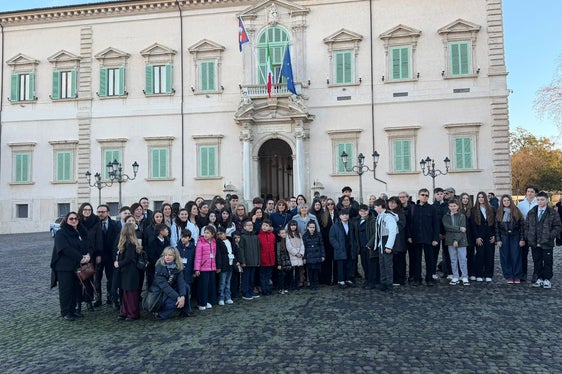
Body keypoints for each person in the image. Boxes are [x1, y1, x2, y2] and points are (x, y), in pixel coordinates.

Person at [50, 212, 90, 321]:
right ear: (66, 220)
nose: (74, 220)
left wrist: (88, 255)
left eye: (76, 218)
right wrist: (80, 257)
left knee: (75, 289)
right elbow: (65, 248)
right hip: (64, 267)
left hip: (77, 266)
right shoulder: (61, 233)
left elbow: (87, 245)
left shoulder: (81, 232)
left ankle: (73, 310)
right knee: (66, 289)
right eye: (71, 218)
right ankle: (66, 312)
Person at [523, 191, 562, 289]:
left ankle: (547, 279)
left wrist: (550, 235)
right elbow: (526, 226)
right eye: (538, 200)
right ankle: (539, 278)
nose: (540, 202)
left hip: (547, 241)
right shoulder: (532, 212)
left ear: (546, 201)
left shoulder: (552, 212)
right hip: (535, 241)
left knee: (548, 261)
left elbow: (557, 226)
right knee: (537, 261)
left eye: (542, 200)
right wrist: (528, 236)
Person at [408, 188, 439, 287]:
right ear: (418, 196)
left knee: (430, 259)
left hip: (428, 238)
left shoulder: (432, 208)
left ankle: (429, 278)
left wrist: (435, 238)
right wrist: (409, 236)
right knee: (416, 259)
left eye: (426, 195)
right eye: (422, 195)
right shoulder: (413, 208)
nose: (424, 197)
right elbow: (409, 224)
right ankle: (417, 278)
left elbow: (436, 225)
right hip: (416, 237)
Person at [152, 247, 191, 319]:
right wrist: (178, 297)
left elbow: (181, 282)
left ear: (175, 256)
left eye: (170, 255)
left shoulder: (177, 266)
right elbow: (165, 287)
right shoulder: (160, 267)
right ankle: (160, 314)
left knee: (186, 287)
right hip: (160, 293)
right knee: (173, 303)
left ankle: (185, 311)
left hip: (171, 289)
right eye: (165, 255)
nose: (167, 257)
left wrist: (182, 296)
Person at [114, 222, 142, 321]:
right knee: (126, 292)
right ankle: (125, 312)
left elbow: (129, 258)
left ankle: (132, 313)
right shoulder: (129, 242)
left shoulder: (130, 244)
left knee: (130, 293)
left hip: (130, 271)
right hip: (127, 271)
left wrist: (119, 263)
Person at [77, 202, 102, 312]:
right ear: (81, 210)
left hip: (91, 253)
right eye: (85, 209)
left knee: (89, 278)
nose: (87, 211)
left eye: (89, 210)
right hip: (78, 254)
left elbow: (99, 238)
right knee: (78, 279)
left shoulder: (96, 221)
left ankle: (89, 301)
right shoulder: (77, 221)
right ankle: (78, 303)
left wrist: (98, 254)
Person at [370, 199, 398, 292]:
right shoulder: (380, 216)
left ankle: (389, 284)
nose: (374, 208)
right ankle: (383, 282)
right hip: (381, 243)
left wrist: (389, 246)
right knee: (382, 264)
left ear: (380, 206)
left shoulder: (388, 217)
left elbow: (392, 232)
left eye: (375, 206)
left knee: (388, 265)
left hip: (386, 243)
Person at [495, 195, 525, 284]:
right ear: (502, 202)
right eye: (504, 201)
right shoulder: (499, 212)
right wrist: (498, 240)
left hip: (515, 236)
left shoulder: (516, 211)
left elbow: (522, 226)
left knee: (516, 256)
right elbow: (496, 228)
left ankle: (517, 275)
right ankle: (508, 276)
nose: (506, 202)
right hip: (504, 237)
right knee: (505, 257)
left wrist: (522, 239)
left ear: (511, 201)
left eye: (508, 200)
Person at [94, 204, 120, 307]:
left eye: (103, 212)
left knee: (111, 278)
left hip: (111, 256)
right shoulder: (95, 224)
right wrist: (96, 255)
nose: (100, 214)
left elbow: (117, 241)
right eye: (99, 212)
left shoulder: (115, 224)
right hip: (98, 257)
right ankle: (98, 298)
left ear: (108, 213)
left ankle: (111, 297)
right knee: (97, 278)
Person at [470, 192, 496, 282]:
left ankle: (488, 274)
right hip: (479, 236)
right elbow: (473, 225)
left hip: (490, 236)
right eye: (479, 197)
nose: (481, 199)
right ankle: (479, 274)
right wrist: (477, 237)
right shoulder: (474, 210)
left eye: (482, 197)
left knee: (490, 255)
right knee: (480, 255)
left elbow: (495, 224)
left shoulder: (492, 209)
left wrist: (494, 236)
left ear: (485, 198)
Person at [442, 199, 469, 286]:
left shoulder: (461, 216)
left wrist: (456, 240)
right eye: (451, 206)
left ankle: (464, 276)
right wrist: (458, 228)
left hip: (461, 240)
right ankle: (455, 276)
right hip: (450, 240)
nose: (453, 208)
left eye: (454, 206)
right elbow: (447, 227)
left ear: (458, 206)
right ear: (448, 207)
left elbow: (463, 229)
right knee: (453, 259)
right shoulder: (445, 217)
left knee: (463, 259)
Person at [351, 204, 378, 289]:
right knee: (364, 264)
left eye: (365, 211)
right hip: (361, 246)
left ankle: (372, 282)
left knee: (371, 264)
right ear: (359, 212)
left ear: (368, 211)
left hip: (370, 246)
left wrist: (370, 244)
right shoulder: (356, 221)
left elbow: (375, 234)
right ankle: (367, 280)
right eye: (361, 211)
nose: (363, 212)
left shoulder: (372, 220)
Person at [329, 208, 357, 288]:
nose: (345, 216)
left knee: (349, 264)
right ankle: (341, 281)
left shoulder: (351, 225)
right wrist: (337, 246)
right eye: (343, 215)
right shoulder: (335, 226)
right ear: (340, 216)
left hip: (349, 248)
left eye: (346, 215)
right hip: (340, 249)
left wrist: (354, 246)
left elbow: (354, 236)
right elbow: (331, 237)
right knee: (341, 265)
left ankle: (348, 279)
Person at [193, 226, 218, 310]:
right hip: (203, 268)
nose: (206, 235)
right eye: (205, 232)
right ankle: (201, 303)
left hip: (211, 268)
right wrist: (197, 268)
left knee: (210, 286)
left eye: (208, 233)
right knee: (203, 286)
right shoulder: (201, 242)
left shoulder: (214, 242)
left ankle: (207, 301)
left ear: (212, 234)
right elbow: (198, 256)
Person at [517, 185, 538, 282]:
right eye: (528, 191)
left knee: (536, 254)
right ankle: (523, 273)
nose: (530, 193)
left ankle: (536, 274)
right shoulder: (520, 204)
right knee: (523, 254)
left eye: (532, 191)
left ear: (535, 193)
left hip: (535, 233)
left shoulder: (539, 203)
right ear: (526, 192)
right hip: (524, 232)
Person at [238, 220, 261, 300]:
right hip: (246, 262)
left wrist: (258, 260)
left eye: (251, 225)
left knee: (252, 277)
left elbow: (258, 249)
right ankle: (245, 292)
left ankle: (251, 291)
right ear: (244, 227)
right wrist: (243, 261)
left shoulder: (255, 236)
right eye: (248, 225)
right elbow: (241, 250)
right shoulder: (243, 237)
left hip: (254, 261)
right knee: (246, 278)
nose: (250, 226)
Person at [387, 197, 407, 286]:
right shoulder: (386, 213)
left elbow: (401, 225)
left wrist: (390, 228)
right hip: (389, 240)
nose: (392, 204)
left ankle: (400, 279)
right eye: (390, 202)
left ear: (398, 204)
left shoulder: (401, 213)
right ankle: (394, 278)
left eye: (394, 203)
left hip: (399, 240)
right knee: (393, 261)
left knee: (400, 261)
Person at [216, 227, 238, 305]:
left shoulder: (230, 241)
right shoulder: (218, 243)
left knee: (228, 282)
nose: (220, 236)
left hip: (230, 264)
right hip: (223, 265)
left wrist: (236, 261)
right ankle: (221, 298)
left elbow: (234, 252)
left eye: (221, 234)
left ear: (225, 233)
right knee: (222, 283)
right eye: (218, 234)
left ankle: (228, 297)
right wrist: (219, 267)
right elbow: (218, 255)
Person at [302, 220, 325, 290]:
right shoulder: (305, 236)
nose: (312, 229)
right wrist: (304, 258)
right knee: (310, 271)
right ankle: (311, 284)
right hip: (309, 256)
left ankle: (316, 284)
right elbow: (304, 248)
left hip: (317, 255)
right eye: (311, 227)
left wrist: (323, 255)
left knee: (316, 271)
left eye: (313, 227)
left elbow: (321, 245)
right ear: (308, 227)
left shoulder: (318, 234)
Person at [176, 229, 195, 313]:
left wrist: (195, 270)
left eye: (185, 237)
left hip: (189, 271)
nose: (183, 239)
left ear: (189, 238)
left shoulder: (193, 248)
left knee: (189, 289)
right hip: (180, 271)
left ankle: (188, 306)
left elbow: (195, 259)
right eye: (182, 237)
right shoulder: (177, 247)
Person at [146, 223, 170, 289]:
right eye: (166, 230)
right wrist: (160, 262)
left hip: (165, 267)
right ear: (161, 232)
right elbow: (151, 256)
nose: (168, 231)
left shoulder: (167, 241)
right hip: (155, 268)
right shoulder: (153, 242)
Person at [320, 198, 337, 285]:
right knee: (327, 261)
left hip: (337, 241)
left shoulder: (338, 214)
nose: (330, 205)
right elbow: (323, 228)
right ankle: (327, 279)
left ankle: (336, 279)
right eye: (328, 204)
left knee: (336, 260)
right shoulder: (324, 215)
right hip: (327, 241)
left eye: (332, 204)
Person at [257, 219, 276, 296]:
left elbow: (273, 246)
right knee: (262, 276)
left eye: (267, 226)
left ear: (269, 227)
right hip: (262, 259)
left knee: (268, 276)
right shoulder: (259, 236)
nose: (265, 227)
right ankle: (264, 290)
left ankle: (268, 289)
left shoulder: (272, 235)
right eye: (263, 225)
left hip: (270, 259)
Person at [286, 220, 305, 291]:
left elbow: (302, 245)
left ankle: (297, 285)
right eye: (291, 225)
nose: (293, 227)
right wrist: (296, 253)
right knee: (292, 272)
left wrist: (301, 253)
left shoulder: (299, 234)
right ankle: (292, 285)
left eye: (294, 225)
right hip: (292, 255)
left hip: (299, 255)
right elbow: (289, 246)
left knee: (297, 271)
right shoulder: (288, 235)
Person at [276, 228, 292, 294]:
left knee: (287, 275)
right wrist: (279, 263)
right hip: (282, 261)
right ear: (279, 234)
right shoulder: (278, 243)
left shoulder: (288, 241)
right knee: (281, 276)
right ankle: (280, 288)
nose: (284, 234)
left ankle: (286, 287)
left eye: (285, 233)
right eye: (282, 233)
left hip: (288, 261)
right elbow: (278, 253)